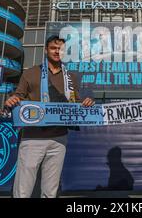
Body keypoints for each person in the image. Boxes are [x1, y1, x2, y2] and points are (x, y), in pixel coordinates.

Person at [5, 35, 95, 198]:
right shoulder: (31, 73)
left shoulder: (71, 77)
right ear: (45, 50)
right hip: (32, 137)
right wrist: (13, 99)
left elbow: (74, 102)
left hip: (59, 139)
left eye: (61, 49)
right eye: (53, 48)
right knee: (23, 190)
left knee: (50, 191)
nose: (57, 51)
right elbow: (18, 96)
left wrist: (85, 102)